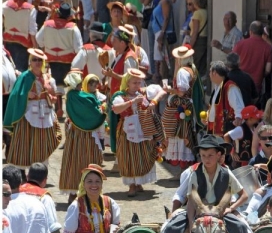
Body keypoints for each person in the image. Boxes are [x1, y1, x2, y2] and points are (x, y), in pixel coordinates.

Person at [148, 134, 256, 233]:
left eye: (211, 155)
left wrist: (230, 208)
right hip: (198, 212)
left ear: (219, 155)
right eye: (204, 155)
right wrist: (192, 222)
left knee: (239, 227)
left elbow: (243, 195)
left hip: (221, 212)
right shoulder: (194, 173)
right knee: (173, 227)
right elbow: (192, 200)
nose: (207, 159)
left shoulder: (226, 173)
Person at [109, 68, 164, 197]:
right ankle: (132, 185)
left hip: (144, 127)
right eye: (134, 83)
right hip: (128, 130)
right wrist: (133, 102)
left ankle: (139, 182)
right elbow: (116, 110)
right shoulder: (120, 95)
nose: (137, 85)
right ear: (127, 83)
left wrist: (154, 101)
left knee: (143, 154)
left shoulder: (144, 92)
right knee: (129, 156)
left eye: (139, 82)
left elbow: (161, 90)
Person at [3, 48, 61, 168]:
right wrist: (26, 95)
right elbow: (15, 95)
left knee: (46, 141)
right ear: (30, 62)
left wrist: (52, 97)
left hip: (45, 114)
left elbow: (53, 94)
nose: (37, 62)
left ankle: (41, 169)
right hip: (28, 115)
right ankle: (22, 170)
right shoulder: (25, 76)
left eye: (40, 60)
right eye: (34, 60)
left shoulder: (47, 77)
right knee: (25, 142)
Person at [58, 71, 106, 202]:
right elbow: (94, 111)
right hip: (87, 135)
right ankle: (87, 193)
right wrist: (103, 108)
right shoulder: (82, 97)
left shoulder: (69, 96)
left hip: (74, 135)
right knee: (88, 160)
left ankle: (73, 193)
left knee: (73, 161)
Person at [156, 44, 205, 168]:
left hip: (181, 105)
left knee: (178, 132)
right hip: (187, 104)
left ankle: (181, 163)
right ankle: (184, 162)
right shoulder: (191, 68)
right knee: (182, 132)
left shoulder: (182, 72)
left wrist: (169, 90)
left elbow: (181, 91)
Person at [35, 2, 83, 107]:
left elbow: (38, 40)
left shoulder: (47, 24)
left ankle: (57, 105)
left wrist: (46, 45)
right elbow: (78, 48)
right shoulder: (73, 27)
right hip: (66, 62)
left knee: (53, 82)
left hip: (50, 60)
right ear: (69, 15)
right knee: (62, 83)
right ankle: (61, 106)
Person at [21, 162, 63, 233]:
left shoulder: (15, 192)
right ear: (45, 180)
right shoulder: (45, 197)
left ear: (27, 176)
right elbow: (53, 227)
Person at [2, 0, 38, 71]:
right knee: (20, 70)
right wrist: (35, 47)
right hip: (23, 45)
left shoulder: (5, 5)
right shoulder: (30, 9)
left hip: (7, 42)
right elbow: (32, 31)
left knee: (8, 68)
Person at [206, 60, 245, 136]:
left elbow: (239, 108)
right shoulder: (217, 87)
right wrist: (208, 117)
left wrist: (238, 119)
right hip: (214, 130)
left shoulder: (230, 88)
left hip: (225, 131)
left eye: (210, 72)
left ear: (214, 73)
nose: (209, 75)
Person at [231, 20, 272, 94]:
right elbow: (268, 70)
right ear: (262, 33)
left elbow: (231, 61)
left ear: (250, 32)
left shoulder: (240, 44)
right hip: (256, 85)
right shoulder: (268, 47)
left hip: (239, 82)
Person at [103, 26, 139, 98]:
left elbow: (130, 79)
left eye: (115, 40)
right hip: (116, 96)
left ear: (122, 43)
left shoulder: (129, 58)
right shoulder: (120, 54)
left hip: (124, 98)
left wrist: (113, 75)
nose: (112, 42)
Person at [153, 0, 175, 80]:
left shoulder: (165, 1)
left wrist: (162, 34)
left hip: (164, 33)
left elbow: (166, 18)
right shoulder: (161, 1)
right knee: (161, 59)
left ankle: (165, 83)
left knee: (164, 60)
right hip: (159, 32)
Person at [188, 0, 209, 79]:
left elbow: (195, 31)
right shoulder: (206, 12)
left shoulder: (197, 13)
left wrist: (190, 46)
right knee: (202, 64)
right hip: (204, 39)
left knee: (195, 64)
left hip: (198, 40)